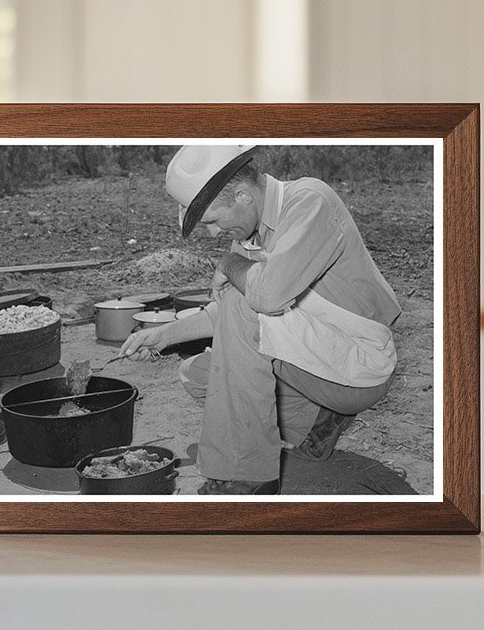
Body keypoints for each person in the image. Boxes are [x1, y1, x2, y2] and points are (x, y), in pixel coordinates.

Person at [118, 144, 401, 496]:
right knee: (199, 375)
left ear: (242, 195)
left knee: (244, 302)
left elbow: (264, 298)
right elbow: (234, 311)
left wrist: (228, 265)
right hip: (323, 361)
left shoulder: (310, 200)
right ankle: (316, 420)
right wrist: (163, 336)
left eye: (213, 221)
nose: (212, 234)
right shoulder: (251, 233)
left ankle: (247, 478)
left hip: (363, 363)